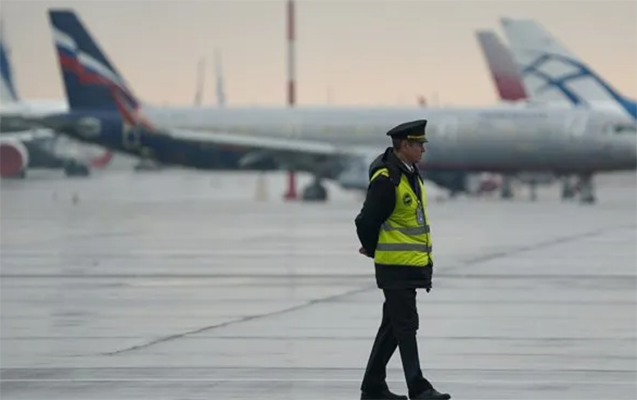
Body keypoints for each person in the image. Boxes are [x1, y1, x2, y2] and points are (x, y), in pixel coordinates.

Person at [355, 119, 451, 400]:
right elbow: (365, 220)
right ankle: (418, 388)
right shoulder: (388, 178)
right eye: (419, 144)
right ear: (404, 145)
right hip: (395, 267)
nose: (423, 149)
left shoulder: (409, 172)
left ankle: (372, 387)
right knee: (406, 326)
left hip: (410, 264)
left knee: (393, 328)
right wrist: (372, 248)